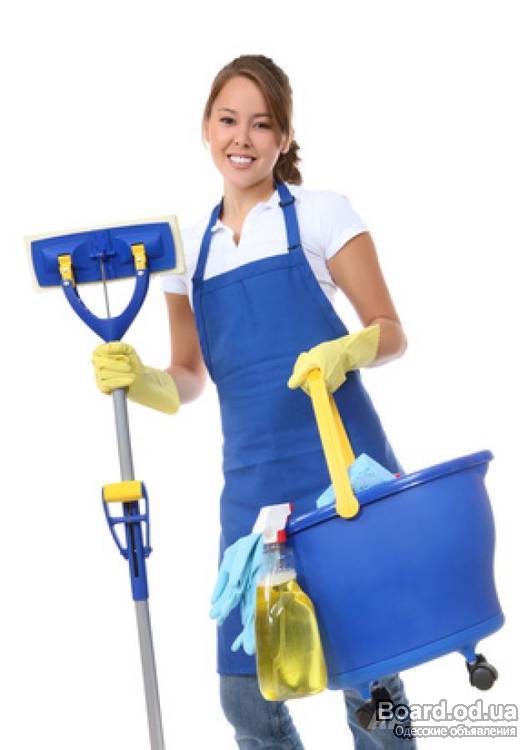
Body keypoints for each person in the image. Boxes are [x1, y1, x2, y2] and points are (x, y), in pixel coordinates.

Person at [92, 54, 417, 749]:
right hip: (252, 491)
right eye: (228, 120)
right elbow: (188, 374)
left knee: (371, 682)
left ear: (284, 136)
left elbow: (389, 331)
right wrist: (142, 379)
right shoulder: (186, 250)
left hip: (341, 476)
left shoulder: (322, 215)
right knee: (246, 695)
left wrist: (349, 349)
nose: (242, 138)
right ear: (206, 127)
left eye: (262, 124)